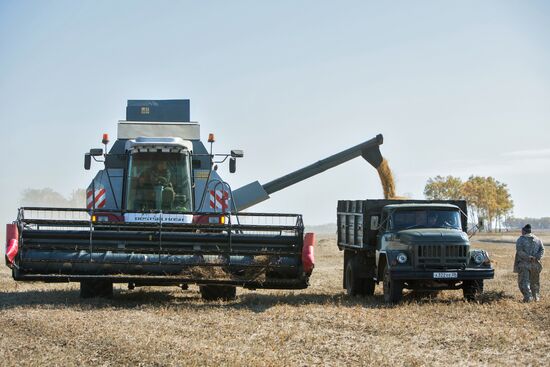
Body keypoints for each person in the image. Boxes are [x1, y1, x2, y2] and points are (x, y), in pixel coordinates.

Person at [514, 224, 545, 302]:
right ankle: (536, 298)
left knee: (524, 282)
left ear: (524, 231)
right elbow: (542, 250)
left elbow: (520, 251)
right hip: (536, 265)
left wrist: (529, 257)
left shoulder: (521, 239)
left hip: (524, 264)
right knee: (535, 282)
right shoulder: (538, 239)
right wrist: (536, 257)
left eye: (522, 231)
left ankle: (528, 298)